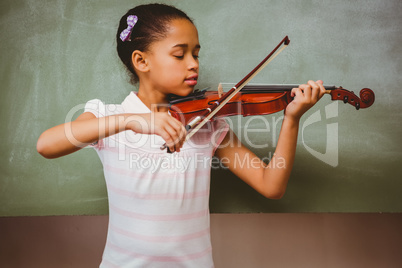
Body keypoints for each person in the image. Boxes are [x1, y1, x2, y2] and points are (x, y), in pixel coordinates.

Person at [37, 3, 326, 267]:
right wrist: (132, 120)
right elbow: (46, 145)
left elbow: (271, 185)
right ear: (141, 61)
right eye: (179, 54)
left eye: (196, 54)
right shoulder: (107, 117)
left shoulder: (208, 124)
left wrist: (291, 118)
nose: (193, 64)